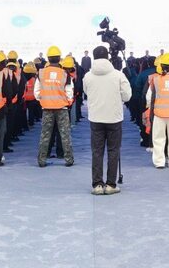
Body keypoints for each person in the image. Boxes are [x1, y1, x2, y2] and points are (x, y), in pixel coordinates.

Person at [83, 45, 131, 194]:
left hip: (95, 118)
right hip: (114, 118)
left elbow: (86, 91)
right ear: (108, 57)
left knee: (97, 151)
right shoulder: (118, 75)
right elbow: (127, 96)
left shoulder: (88, 76)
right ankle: (111, 185)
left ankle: (97, 185)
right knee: (113, 150)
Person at [35, 47, 74, 167]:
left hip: (46, 108)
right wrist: (67, 102)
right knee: (65, 134)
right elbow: (69, 92)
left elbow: (36, 92)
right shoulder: (65, 74)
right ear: (59, 58)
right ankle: (68, 159)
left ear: (48, 58)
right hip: (62, 108)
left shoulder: (41, 73)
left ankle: (41, 160)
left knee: (45, 135)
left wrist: (44, 100)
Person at [145, 53, 169, 169]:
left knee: (158, 139)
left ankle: (159, 162)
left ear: (161, 66)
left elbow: (152, 99)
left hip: (159, 114)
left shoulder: (156, 80)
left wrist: (151, 115)